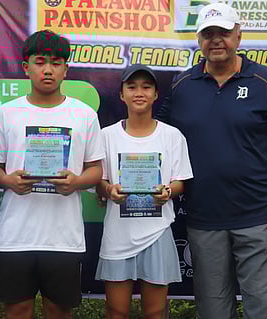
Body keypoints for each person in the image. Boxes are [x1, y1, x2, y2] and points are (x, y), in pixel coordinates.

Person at [157, 3, 267, 318]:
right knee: (212, 311)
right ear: (198, 40)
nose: (216, 40)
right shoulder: (183, 86)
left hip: (259, 218)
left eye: (223, 32)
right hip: (203, 218)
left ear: (238, 34)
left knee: (264, 309)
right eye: (208, 34)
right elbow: (155, 137)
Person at [0, 30, 105, 319]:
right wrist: (9, 181)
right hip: (16, 235)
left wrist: (77, 182)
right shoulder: (6, 113)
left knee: (58, 311)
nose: (48, 69)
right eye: (40, 62)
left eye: (56, 62)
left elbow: (96, 170)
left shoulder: (84, 114)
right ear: (26, 66)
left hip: (63, 237)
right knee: (17, 311)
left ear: (66, 68)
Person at [95, 65, 193, 319]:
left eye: (146, 87)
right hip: (118, 234)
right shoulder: (106, 136)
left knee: (156, 311)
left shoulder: (172, 136)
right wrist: (109, 189)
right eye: (132, 87)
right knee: (116, 311)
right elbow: (98, 181)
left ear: (156, 95)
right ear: (121, 94)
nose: (139, 93)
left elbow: (181, 182)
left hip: (156, 232)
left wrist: (168, 191)